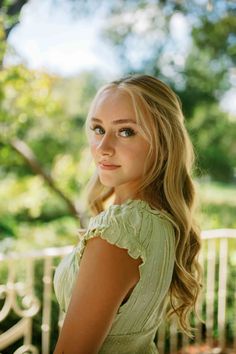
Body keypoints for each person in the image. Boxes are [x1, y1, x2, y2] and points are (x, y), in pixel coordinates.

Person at [53, 74, 202, 354]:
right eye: (98, 129)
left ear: (164, 143)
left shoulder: (120, 232)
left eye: (126, 131)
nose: (103, 148)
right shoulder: (160, 220)